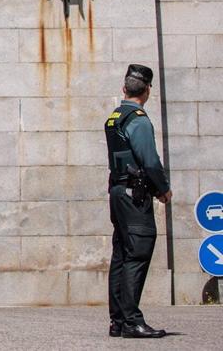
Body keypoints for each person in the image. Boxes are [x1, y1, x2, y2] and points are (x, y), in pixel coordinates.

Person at [104, 64, 172, 339]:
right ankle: (132, 321)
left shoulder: (115, 117)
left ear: (124, 89)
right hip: (135, 194)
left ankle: (118, 321)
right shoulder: (139, 120)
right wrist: (163, 189)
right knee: (138, 253)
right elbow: (150, 161)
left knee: (121, 255)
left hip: (118, 192)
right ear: (147, 91)